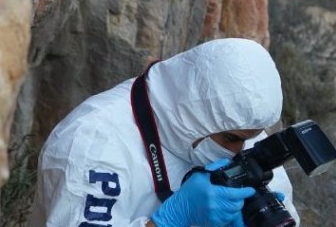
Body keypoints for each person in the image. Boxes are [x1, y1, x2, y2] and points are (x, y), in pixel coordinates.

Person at [28, 38, 299, 227]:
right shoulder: (93, 144)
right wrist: (168, 221)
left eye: (250, 138)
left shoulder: (237, 126)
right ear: (195, 116)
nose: (240, 152)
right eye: (233, 139)